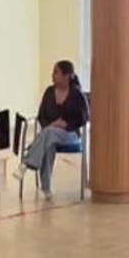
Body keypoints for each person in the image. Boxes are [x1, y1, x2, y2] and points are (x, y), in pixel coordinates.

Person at [13, 60, 89, 201]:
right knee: (48, 141)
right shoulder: (49, 92)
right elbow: (41, 116)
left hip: (70, 133)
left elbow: (84, 118)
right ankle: (46, 187)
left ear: (67, 76)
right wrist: (52, 124)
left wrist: (66, 124)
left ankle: (26, 162)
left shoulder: (77, 94)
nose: (52, 75)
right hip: (50, 133)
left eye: (56, 72)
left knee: (47, 135)